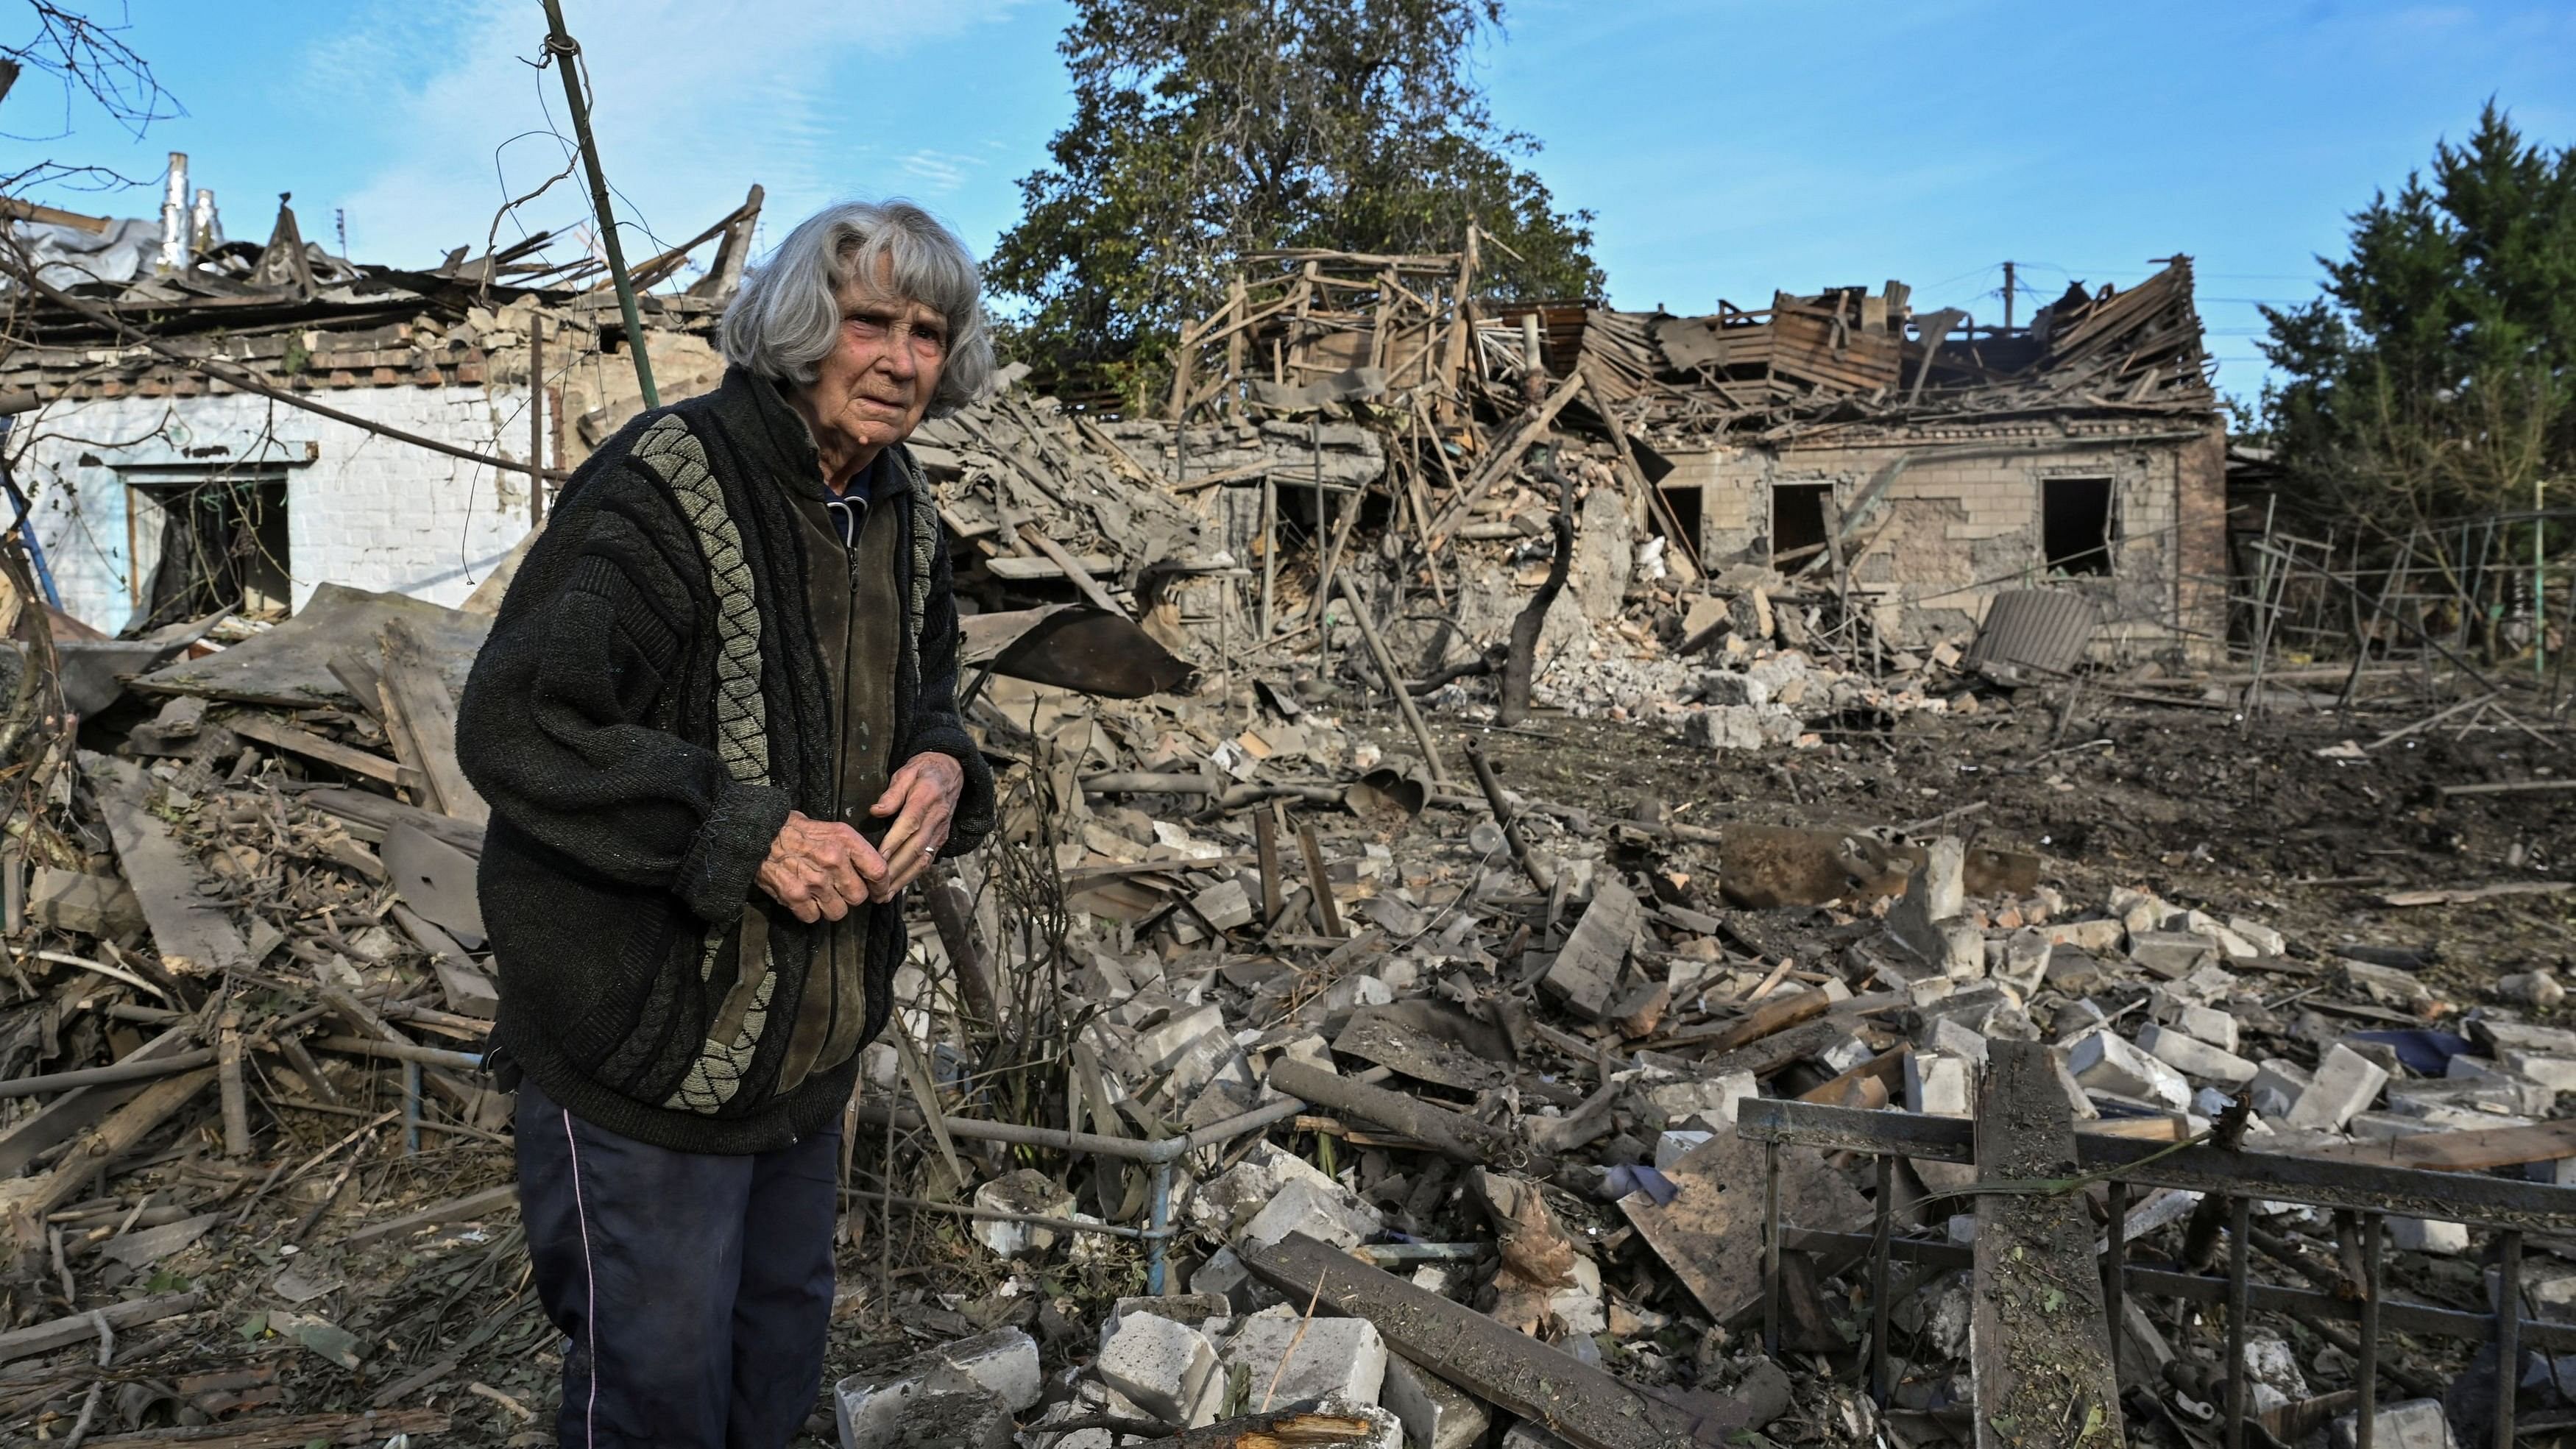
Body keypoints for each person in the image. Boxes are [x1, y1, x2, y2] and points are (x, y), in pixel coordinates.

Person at [457, 199, 999, 1448]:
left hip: (803, 1054)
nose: (903, 360)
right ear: (807, 326)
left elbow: (930, 694)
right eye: (873, 321)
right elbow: (522, 721)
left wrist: (943, 766)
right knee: (657, 1388)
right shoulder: (665, 485)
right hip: (646, 1042)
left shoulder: (901, 510)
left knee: (773, 1369)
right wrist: (743, 832)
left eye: (929, 332)